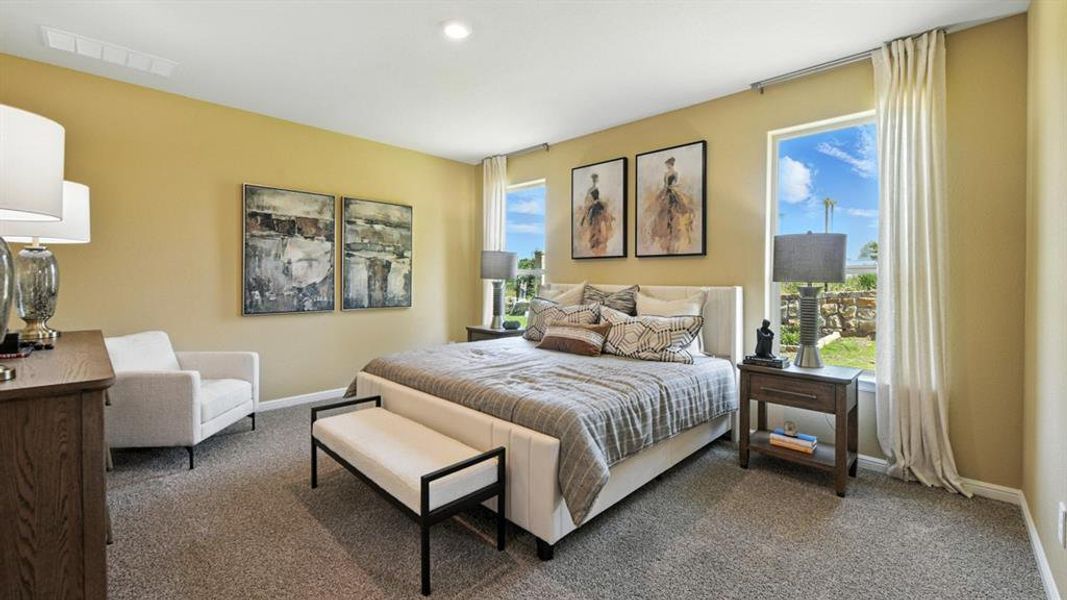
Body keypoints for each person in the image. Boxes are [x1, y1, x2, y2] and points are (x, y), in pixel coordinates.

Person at [645, 157, 696, 254]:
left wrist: (671, 188)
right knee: (657, 204)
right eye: (666, 165)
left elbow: (675, 183)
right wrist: (664, 189)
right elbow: (665, 184)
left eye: (668, 164)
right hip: (666, 190)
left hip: (672, 189)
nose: (667, 166)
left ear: (671, 164)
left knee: (679, 202)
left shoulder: (675, 173)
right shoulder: (666, 174)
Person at [577, 172, 615, 255]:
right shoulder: (590, 189)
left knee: (603, 217)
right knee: (593, 222)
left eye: (596, 178)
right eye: (595, 178)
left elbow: (599, 199)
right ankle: (594, 240)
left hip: (598, 205)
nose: (595, 180)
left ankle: (602, 236)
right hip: (595, 206)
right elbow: (587, 200)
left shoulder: (599, 188)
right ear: (593, 179)